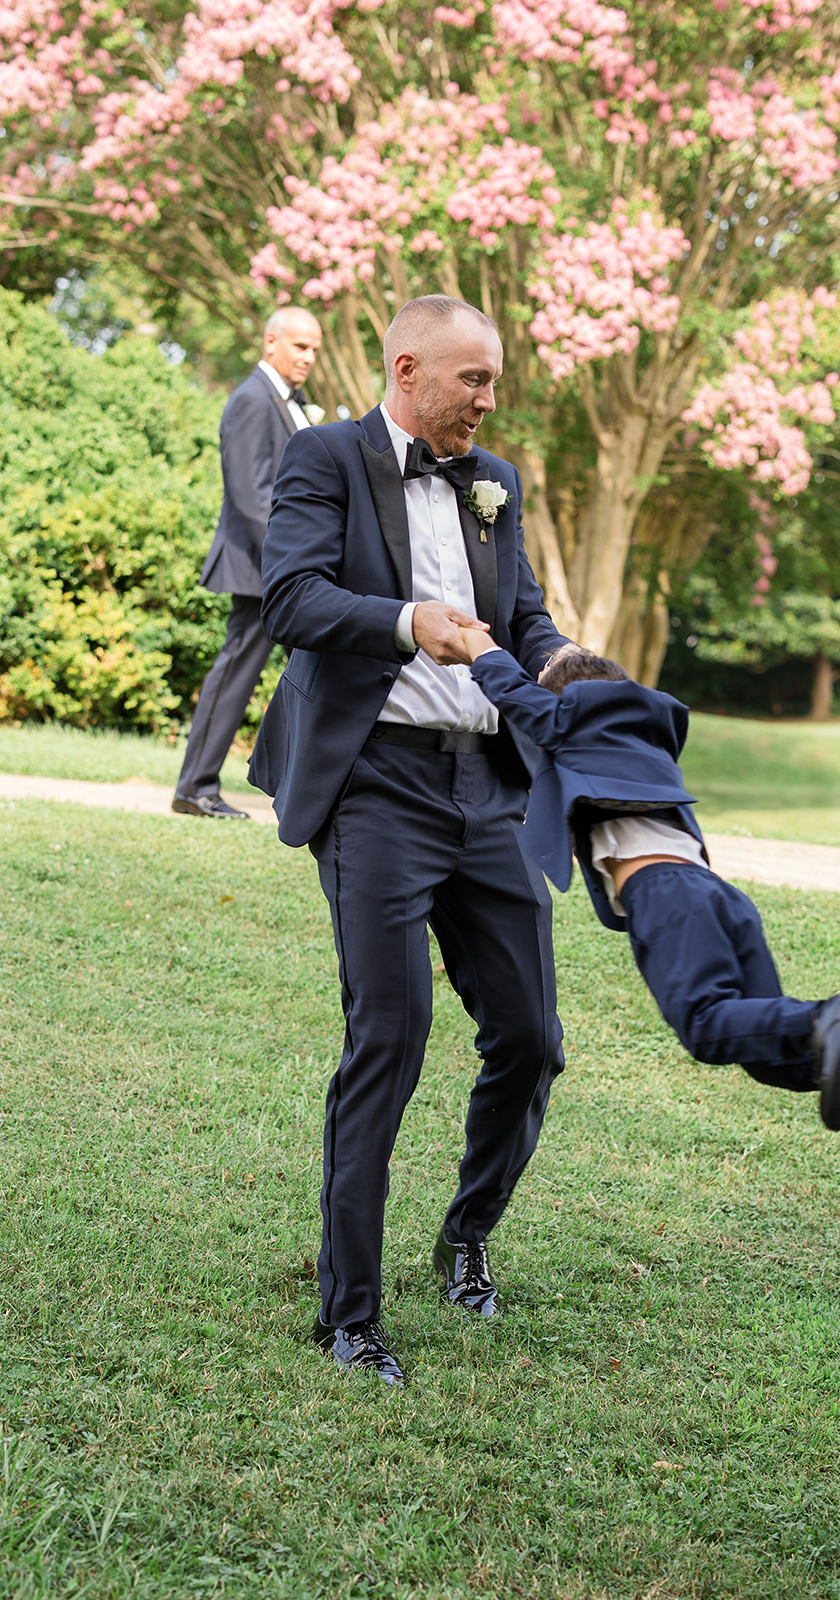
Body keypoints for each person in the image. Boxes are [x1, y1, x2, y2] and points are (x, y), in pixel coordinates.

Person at [248, 295, 570, 1386]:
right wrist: (404, 621)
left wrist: (565, 662)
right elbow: (289, 596)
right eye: (471, 379)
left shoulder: (497, 482)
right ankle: (351, 1314)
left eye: (492, 379)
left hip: (484, 788)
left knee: (531, 1036)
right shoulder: (326, 457)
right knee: (390, 1038)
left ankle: (466, 1233)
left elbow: (517, 613)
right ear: (405, 368)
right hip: (375, 786)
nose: (488, 398)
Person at [458, 634, 840, 1173]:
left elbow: (517, 697)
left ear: (566, 702)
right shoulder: (646, 738)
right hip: (716, 895)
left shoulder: (573, 723)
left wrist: (479, 652)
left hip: (665, 895)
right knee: (767, 1055)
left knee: (706, 1024)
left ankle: (830, 1016)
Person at [172, 308, 323, 819]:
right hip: (261, 568)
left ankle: (307, 785)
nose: (308, 358)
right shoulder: (252, 400)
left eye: (314, 350)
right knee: (237, 670)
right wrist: (290, 560)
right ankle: (195, 787)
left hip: (281, 567)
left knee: (304, 671)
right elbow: (249, 495)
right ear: (270, 342)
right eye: (300, 346)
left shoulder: (287, 403)